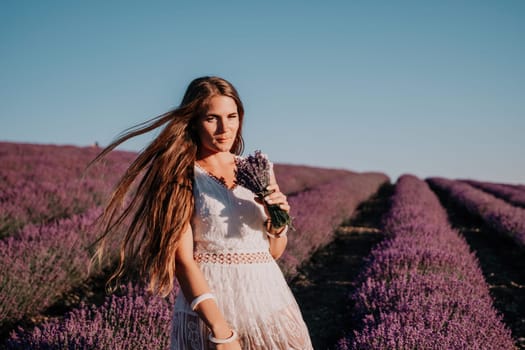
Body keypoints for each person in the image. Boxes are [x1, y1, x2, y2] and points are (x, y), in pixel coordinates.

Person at [90, 76, 313, 349]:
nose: (225, 128)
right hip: (213, 308)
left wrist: (277, 221)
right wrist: (221, 330)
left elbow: (272, 253)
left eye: (232, 116)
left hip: (268, 299)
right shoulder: (180, 174)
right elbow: (183, 261)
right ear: (194, 121)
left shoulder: (258, 168)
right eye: (212, 118)